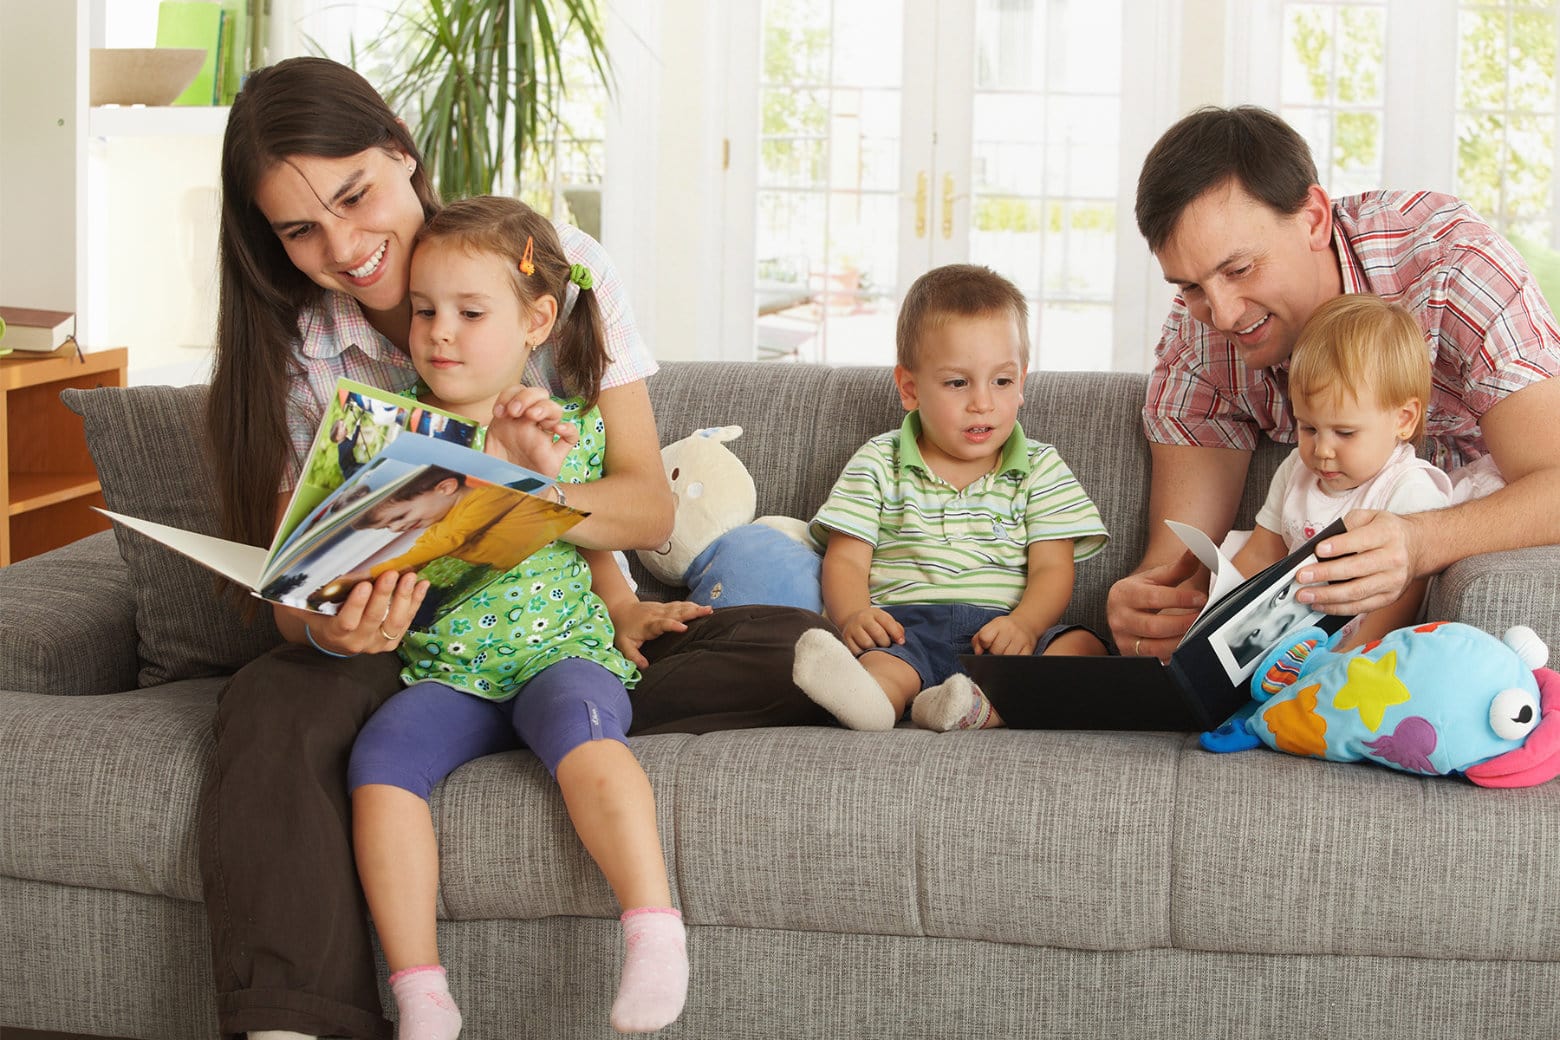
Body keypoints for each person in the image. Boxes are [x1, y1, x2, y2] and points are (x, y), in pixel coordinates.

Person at [201, 57, 832, 1040]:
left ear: (405, 158)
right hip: (406, 646)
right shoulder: (301, 347)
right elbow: (298, 587)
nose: (346, 245)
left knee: (754, 632)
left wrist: (518, 489)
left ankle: (846, 671)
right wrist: (333, 632)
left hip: (554, 619)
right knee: (273, 696)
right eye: (300, 230)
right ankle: (298, 1017)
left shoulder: (554, 265)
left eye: (358, 194)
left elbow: (645, 507)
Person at [343, 197, 687, 1037]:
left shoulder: (563, 425)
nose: (439, 333)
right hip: (449, 671)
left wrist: (622, 607)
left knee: (583, 726)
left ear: (536, 322)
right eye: (424, 311)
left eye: (469, 312)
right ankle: (421, 992)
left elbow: (592, 543)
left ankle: (655, 933)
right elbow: (384, 564)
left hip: (556, 655)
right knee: (380, 758)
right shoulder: (398, 443)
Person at [1107, 104, 1560, 662]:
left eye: (1240, 269)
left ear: (1314, 218)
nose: (1221, 315)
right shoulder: (1197, 338)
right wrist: (1148, 609)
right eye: (1190, 286)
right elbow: (1178, 561)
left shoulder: (1450, 263)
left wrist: (1418, 541)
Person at [788, 265, 1111, 733]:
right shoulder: (880, 461)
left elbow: (1052, 568)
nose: (982, 402)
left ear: (1022, 382)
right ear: (910, 388)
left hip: (1002, 636)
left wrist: (1024, 624)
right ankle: (873, 699)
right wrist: (856, 614)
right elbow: (846, 561)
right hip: (906, 629)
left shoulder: (1041, 467)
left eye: (1001, 382)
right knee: (885, 665)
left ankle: (976, 706)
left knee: (1084, 647)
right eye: (958, 383)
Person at [1228, 293, 1465, 655]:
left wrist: (1344, 659)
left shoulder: (1409, 489)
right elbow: (1261, 554)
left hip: (1368, 654)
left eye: (1345, 433)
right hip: (1291, 645)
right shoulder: (1295, 469)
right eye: (1308, 428)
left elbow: (1398, 606)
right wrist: (1225, 620)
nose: (1321, 450)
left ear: (1403, 419)